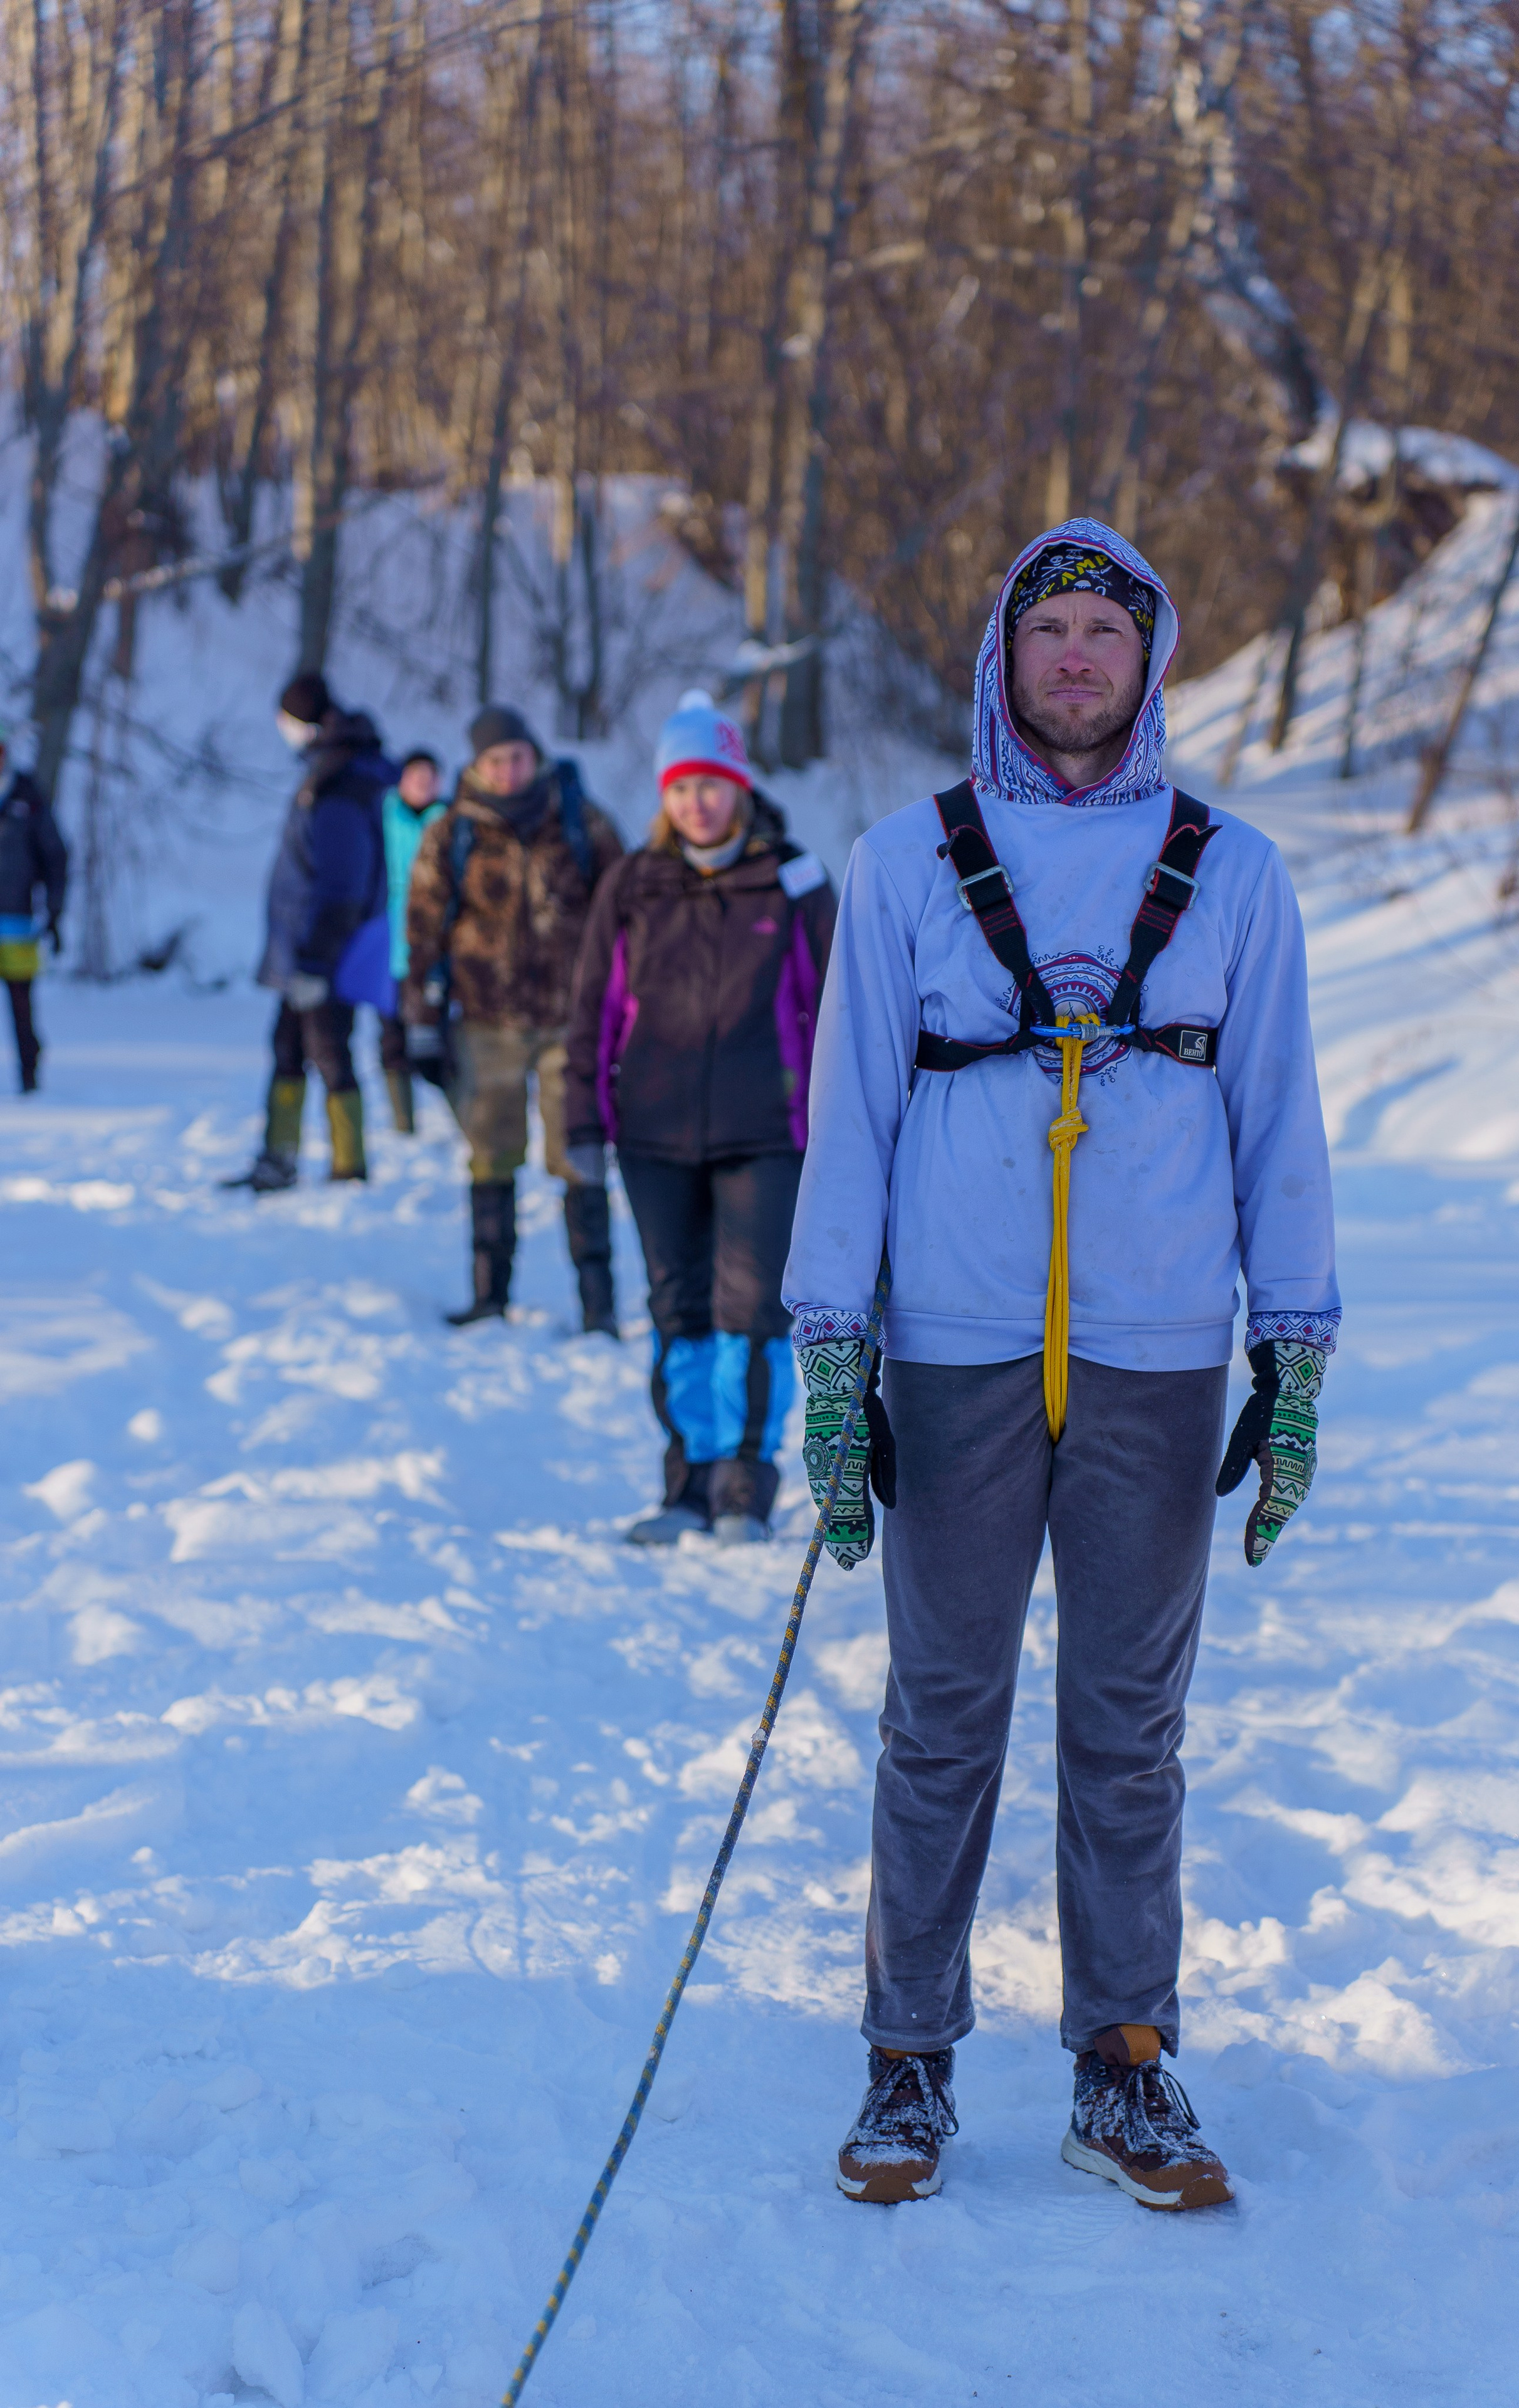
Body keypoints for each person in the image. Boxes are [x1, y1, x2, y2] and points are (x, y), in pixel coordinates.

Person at [783, 518, 1340, 2211]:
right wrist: (831, 1351)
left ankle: (1123, 2061)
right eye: (1052, 632)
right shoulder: (902, 862)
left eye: (1109, 629)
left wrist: (1293, 1351)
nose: (1079, 655)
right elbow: (849, 1116)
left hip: (1155, 1353)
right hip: (953, 1348)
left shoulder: (1232, 871)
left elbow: (1280, 1121)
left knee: (1126, 1728)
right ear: (1002, 659)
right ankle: (906, 2055)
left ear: (1148, 660)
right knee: (939, 1717)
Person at [567, 690, 836, 1546]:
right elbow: (592, 1007)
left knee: (750, 1308)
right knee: (677, 1308)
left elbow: (841, 1012)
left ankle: (743, 1490)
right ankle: (686, 1483)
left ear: (740, 786)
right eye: (681, 787)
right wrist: (580, 1120)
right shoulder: (632, 883)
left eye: (712, 784)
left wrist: (847, 1126)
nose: (697, 802)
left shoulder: (794, 880)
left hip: (767, 1135)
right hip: (652, 1136)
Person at [401, 705, 624, 1328]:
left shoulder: (581, 819)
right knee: (490, 1155)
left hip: (570, 1023)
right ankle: (489, 1296)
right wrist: (421, 1021)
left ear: (536, 755)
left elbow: (627, 910)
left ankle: (598, 1305)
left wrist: (625, 1008)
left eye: (517, 757)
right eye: (495, 761)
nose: (508, 771)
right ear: (477, 764)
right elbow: (421, 931)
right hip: (484, 1022)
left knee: (579, 1156)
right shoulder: (451, 833)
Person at [224, 671, 394, 1192]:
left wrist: (317, 962)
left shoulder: (340, 781)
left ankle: (349, 1165)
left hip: (326, 948)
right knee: (290, 1046)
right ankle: (280, 1157)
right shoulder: (337, 768)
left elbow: (343, 882)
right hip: (309, 947)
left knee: (328, 1050)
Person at [0, 721, 68, 1095]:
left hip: (17, 922)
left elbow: (55, 857)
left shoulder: (28, 797)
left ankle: (30, 1077)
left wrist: (54, 912)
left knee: (22, 1006)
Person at [379, 750, 444, 1134]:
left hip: (434, 948)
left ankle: (457, 1112)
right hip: (389, 947)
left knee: (435, 1036)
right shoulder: (382, 816)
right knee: (391, 1037)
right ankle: (402, 1121)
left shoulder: (450, 820)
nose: (422, 783)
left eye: (429, 776)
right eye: (415, 775)